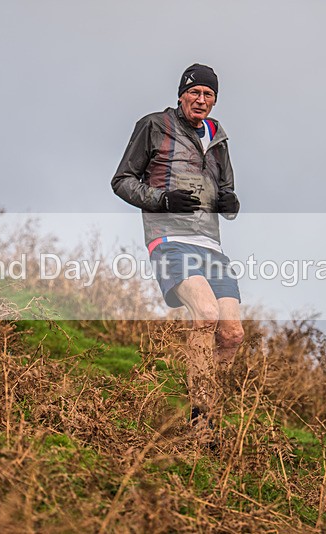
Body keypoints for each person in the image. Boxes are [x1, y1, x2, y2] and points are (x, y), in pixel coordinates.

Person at [111, 63, 244, 429]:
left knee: (232, 334)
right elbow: (122, 180)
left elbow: (226, 191)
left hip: (211, 245)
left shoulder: (218, 138)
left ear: (214, 101)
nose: (201, 100)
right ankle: (202, 421)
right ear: (182, 94)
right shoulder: (155, 125)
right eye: (195, 93)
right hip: (169, 239)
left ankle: (205, 403)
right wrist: (162, 200)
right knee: (205, 314)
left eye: (208, 95)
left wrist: (231, 204)